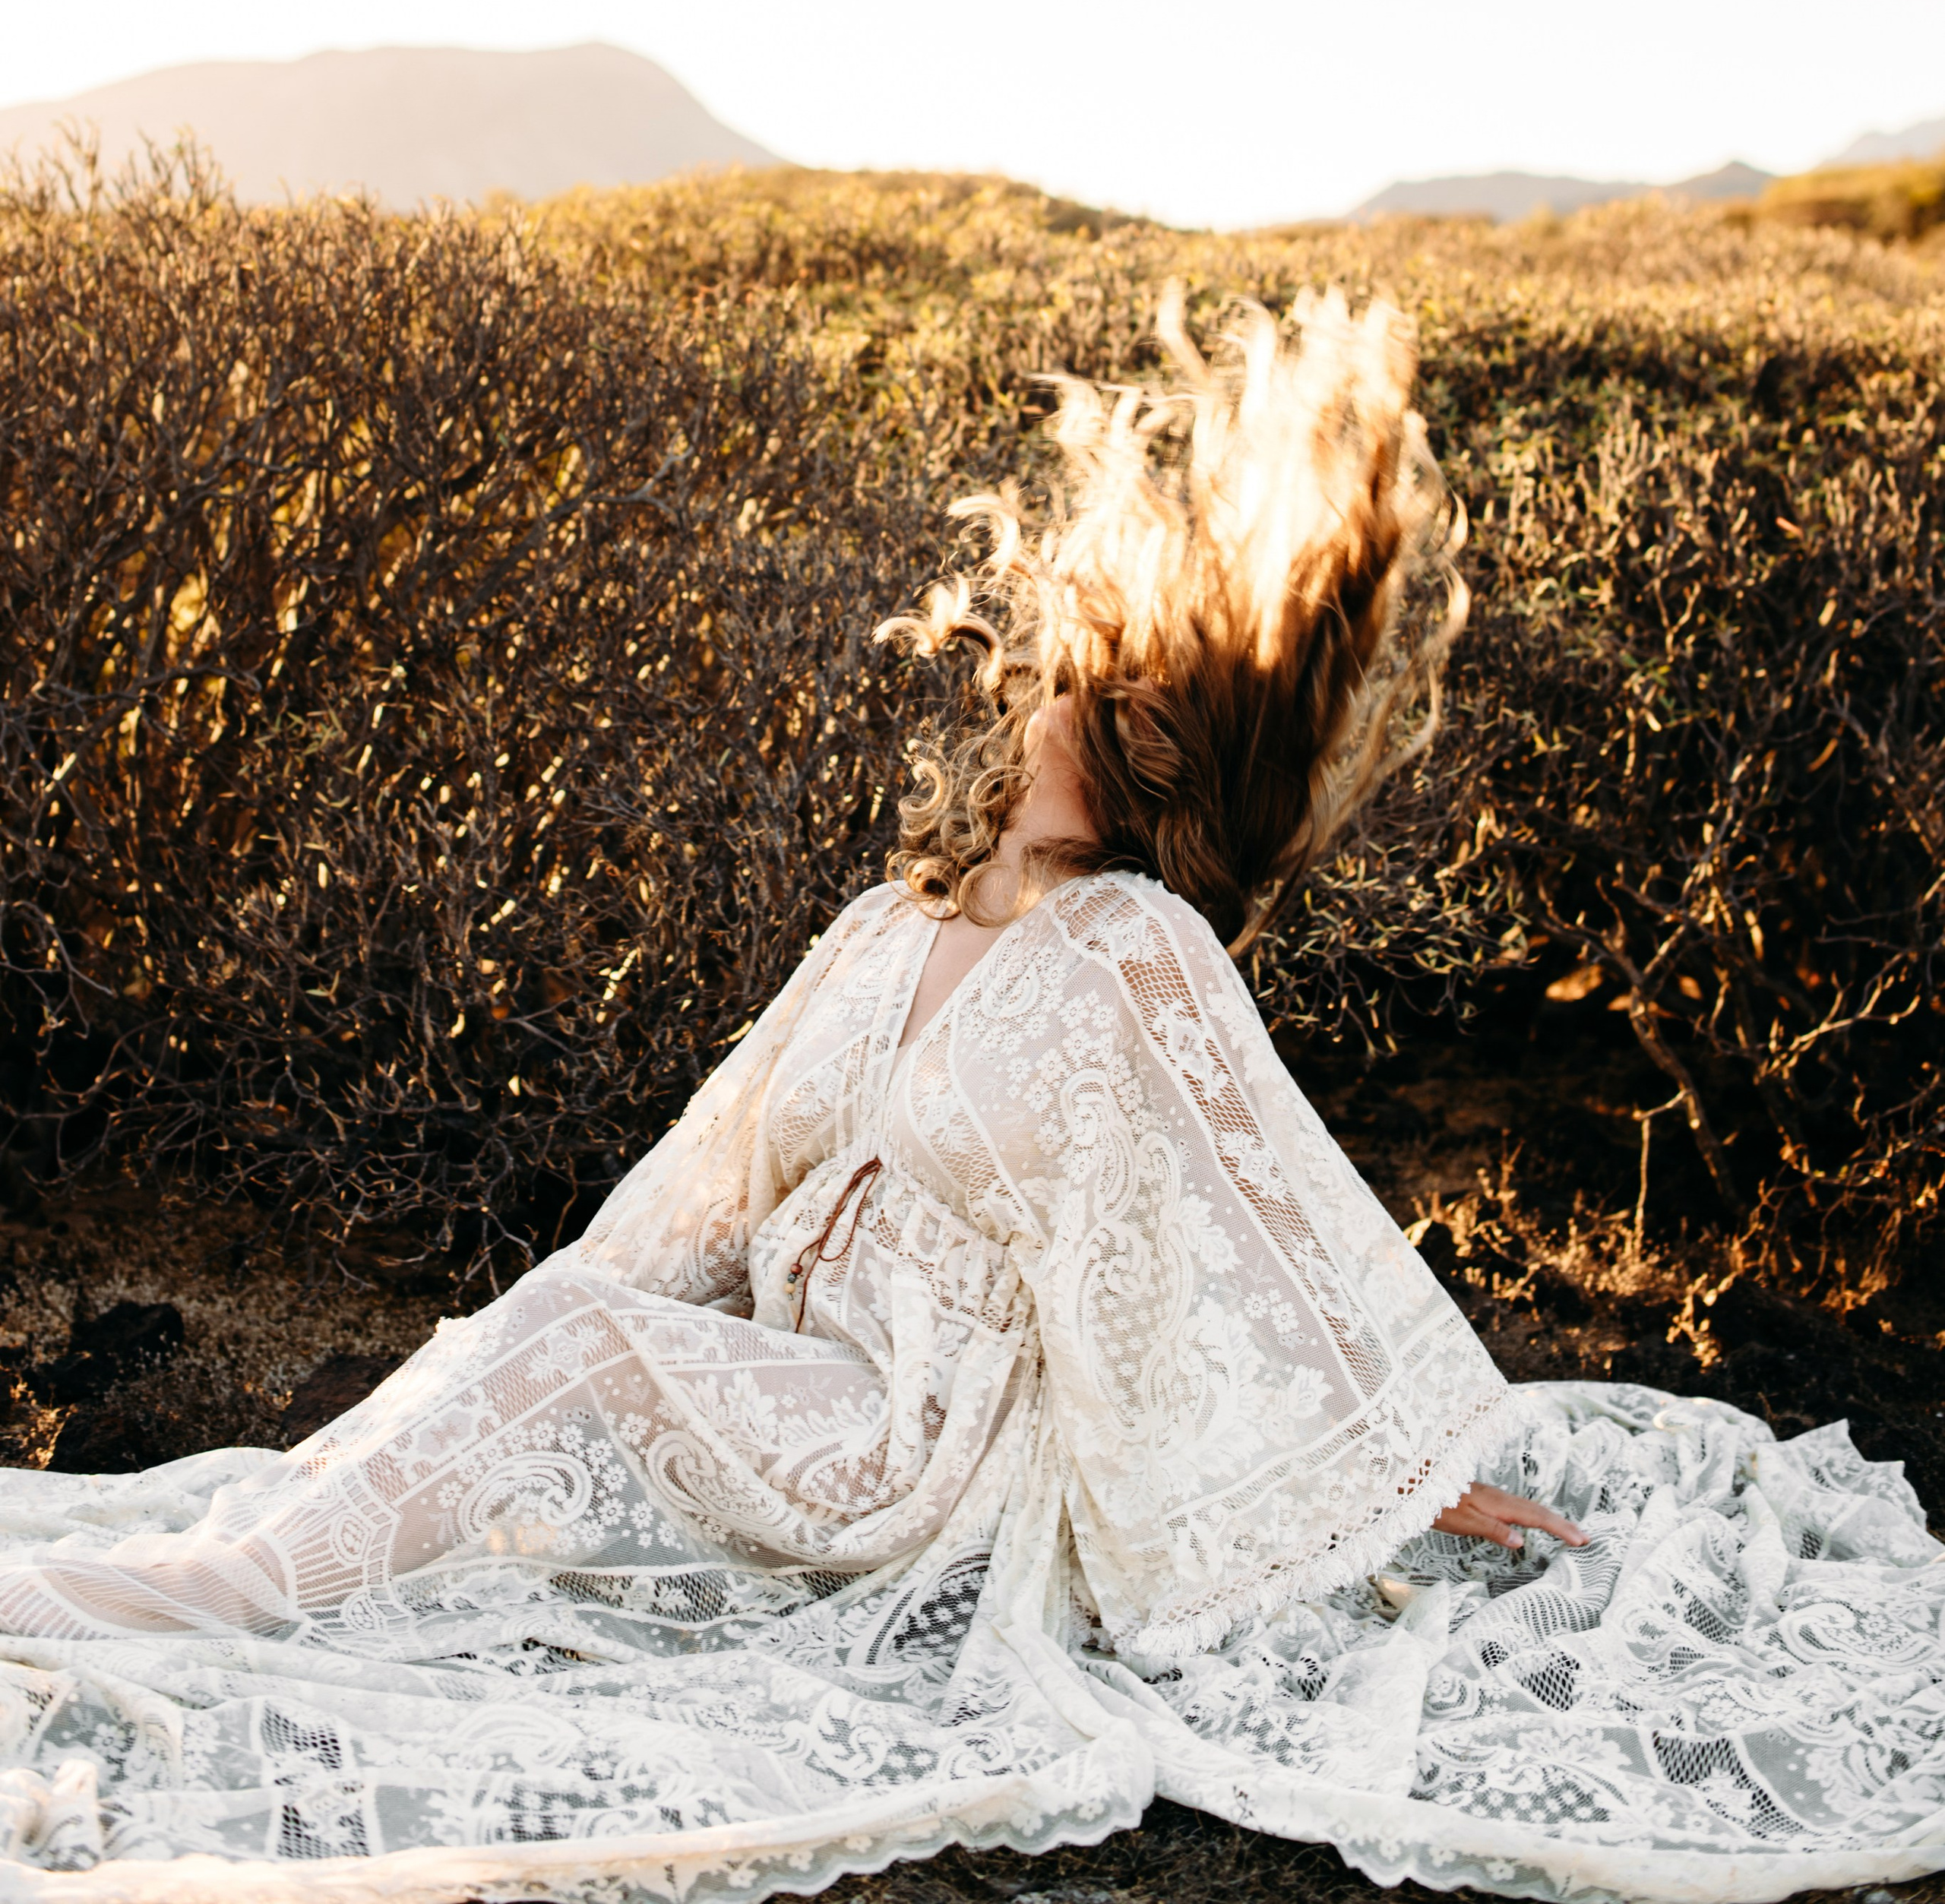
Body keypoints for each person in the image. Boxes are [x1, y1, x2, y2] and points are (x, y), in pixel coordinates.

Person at [1, 294, 1940, 1904]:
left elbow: (1266, 1223)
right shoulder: (884, 923)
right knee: (566, 1326)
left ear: (1166, 765)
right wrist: (490, 1359)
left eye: (1126, 710)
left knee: (579, 1350)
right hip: (796, 1377)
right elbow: (697, 1186)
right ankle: (266, 1541)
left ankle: (208, 1601)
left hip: (923, 1448)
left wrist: (1411, 1469)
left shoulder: (1133, 952)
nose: (1072, 714)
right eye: (1083, 685)